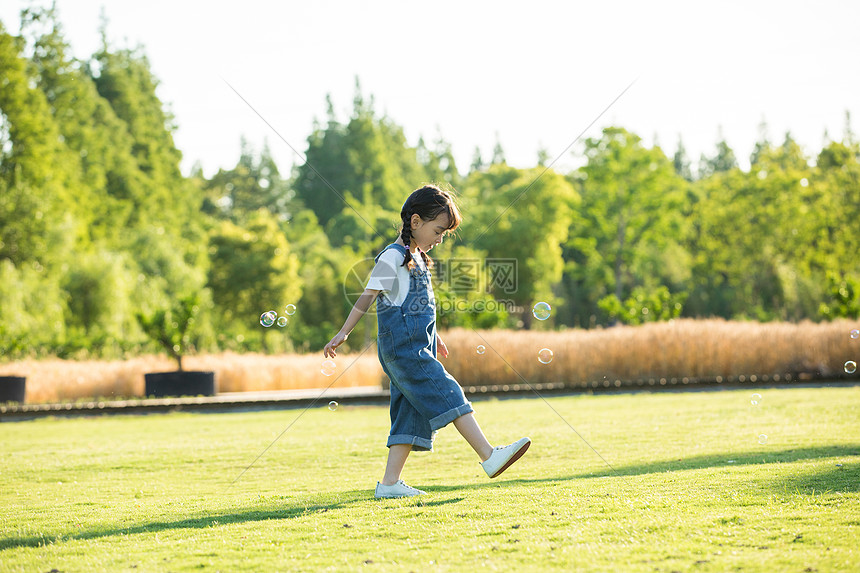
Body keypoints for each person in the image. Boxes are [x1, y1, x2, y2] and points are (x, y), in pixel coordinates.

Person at [324, 184, 530, 499]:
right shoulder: (393, 256)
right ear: (416, 222)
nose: (440, 239)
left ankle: (389, 484)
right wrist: (344, 332)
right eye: (438, 230)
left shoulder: (417, 258)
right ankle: (489, 455)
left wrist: (436, 336)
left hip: (416, 345)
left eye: (445, 234)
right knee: (448, 390)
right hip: (404, 349)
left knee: (408, 411)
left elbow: (415, 306)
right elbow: (368, 295)